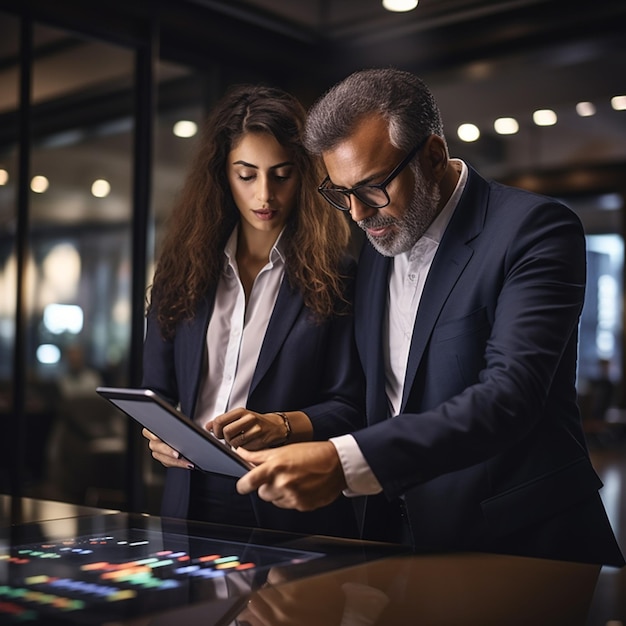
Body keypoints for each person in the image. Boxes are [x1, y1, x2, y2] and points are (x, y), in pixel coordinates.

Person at [235, 68, 625, 567]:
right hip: (402, 543)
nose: (356, 214)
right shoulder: (377, 244)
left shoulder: (535, 229)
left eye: (374, 188)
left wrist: (343, 461)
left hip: (522, 546)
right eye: (340, 192)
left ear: (434, 156)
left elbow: (509, 397)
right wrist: (285, 427)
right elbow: (383, 402)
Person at [141, 84, 363, 537]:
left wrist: (279, 425)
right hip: (188, 498)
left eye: (281, 174)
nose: (265, 195)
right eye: (247, 175)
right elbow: (155, 391)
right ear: (222, 175)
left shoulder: (340, 274)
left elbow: (351, 406)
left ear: (304, 174)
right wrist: (157, 436)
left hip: (289, 503)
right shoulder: (182, 269)